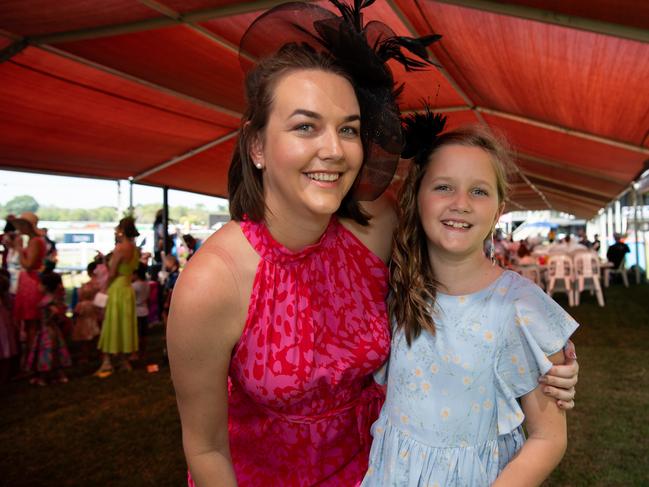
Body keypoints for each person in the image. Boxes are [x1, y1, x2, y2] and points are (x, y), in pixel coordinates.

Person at [167, 2, 578, 486]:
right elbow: (206, 448)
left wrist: (547, 354)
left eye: (348, 129)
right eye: (305, 126)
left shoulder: (376, 227)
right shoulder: (214, 282)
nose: (334, 149)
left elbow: (461, 281)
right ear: (256, 145)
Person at [363, 116, 578, 486]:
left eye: (479, 191)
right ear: (416, 197)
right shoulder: (396, 288)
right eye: (444, 187)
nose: (460, 203)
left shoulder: (521, 308)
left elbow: (549, 437)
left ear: (498, 210)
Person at [95, 217, 140, 377]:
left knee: (112, 323)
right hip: (127, 289)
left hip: (117, 288)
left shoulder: (120, 248)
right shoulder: (135, 248)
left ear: (121, 230)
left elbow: (112, 272)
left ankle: (107, 361)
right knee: (126, 324)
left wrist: (105, 287)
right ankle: (124, 360)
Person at [11, 212, 47, 369]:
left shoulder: (34, 241)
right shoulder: (35, 240)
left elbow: (28, 264)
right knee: (30, 323)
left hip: (31, 283)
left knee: (31, 323)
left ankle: (31, 361)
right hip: (29, 282)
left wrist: (18, 250)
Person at [24, 272, 71, 386]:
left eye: (40, 284)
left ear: (46, 286)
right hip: (52, 329)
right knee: (55, 353)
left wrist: (49, 320)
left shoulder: (48, 300)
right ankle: (60, 376)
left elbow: (55, 311)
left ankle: (43, 378)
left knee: (46, 353)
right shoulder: (54, 298)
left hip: (47, 330)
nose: (38, 286)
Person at [131, 263, 150, 360]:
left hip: (136, 312)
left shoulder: (133, 286)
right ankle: (144, 353)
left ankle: (135, 354)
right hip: (145, 311)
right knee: (144, 335)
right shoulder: (146, 284)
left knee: (136, 335)